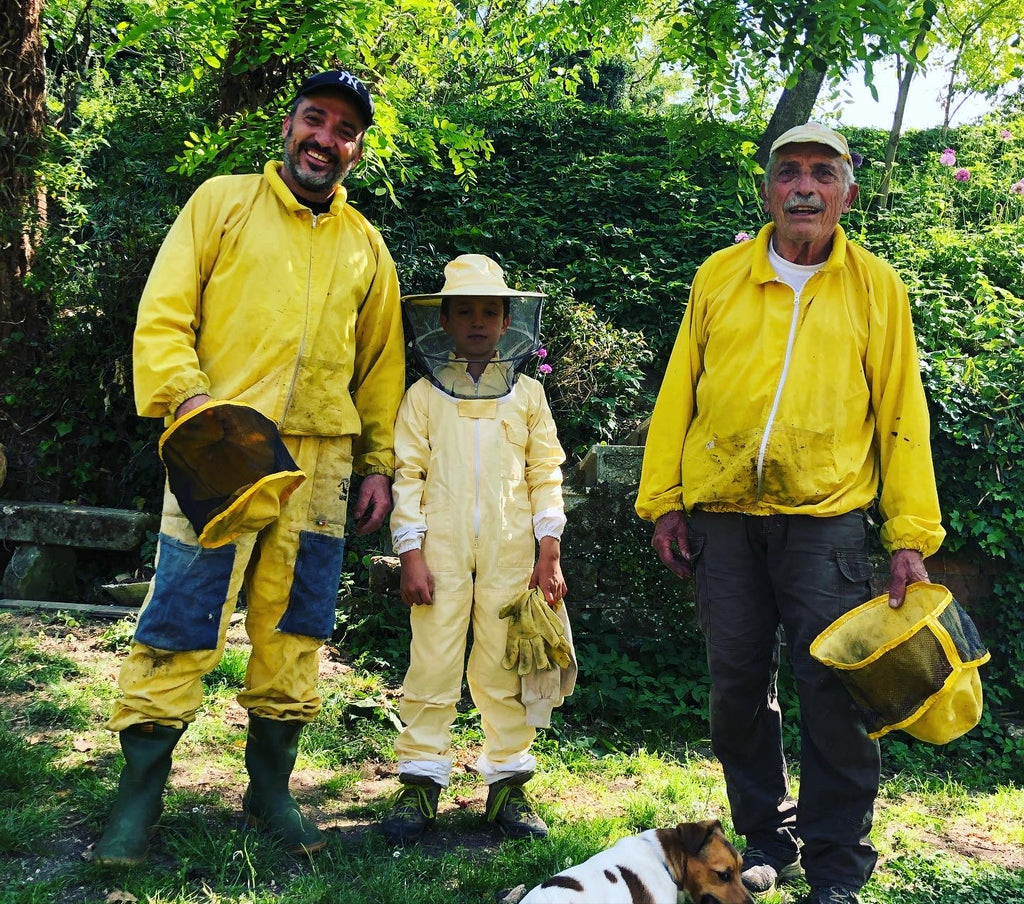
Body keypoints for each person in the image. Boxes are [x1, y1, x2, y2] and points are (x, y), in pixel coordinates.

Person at [93, 70, 405, 866]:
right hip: (219, 447)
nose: (325, 139)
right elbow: (165, 311)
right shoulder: (221, 203)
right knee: (182, 617)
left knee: (297, 629)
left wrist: (376, 462)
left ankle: (271, 793)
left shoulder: (367, 245)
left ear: (357, 150)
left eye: (343, 130)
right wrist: (187, 403)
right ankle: (137, 804)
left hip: (323, 467)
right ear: (289, 126)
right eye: (315, 119)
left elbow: (380, 366)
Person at [635, 123, 945, 904]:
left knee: (833, 693)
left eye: (821, 173)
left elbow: (903, 413)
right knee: (736, 685)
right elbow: (681, 391)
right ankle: (769, 839)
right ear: (767, 191)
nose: (804, 187)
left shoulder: (876, 286)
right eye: (788, 173)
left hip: (827, 520)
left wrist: (910, 535)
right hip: (723, 517)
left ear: (847, 192)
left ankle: (838, 863)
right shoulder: (720, 276)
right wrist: (665, 502)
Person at [380, 254, 569, 843]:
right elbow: (406, 476)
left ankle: (508, 787)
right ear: (444, 322)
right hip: (438, 554)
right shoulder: (422, 397)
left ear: (509, 319)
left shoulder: (529, 396)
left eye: (490, 310)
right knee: (432, 659)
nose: (479, 322)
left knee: (505, 665)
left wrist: (549, 550)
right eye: (465, 311)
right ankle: (420, 782)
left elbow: (546, 472)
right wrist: (409, 554)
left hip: (515, 557)